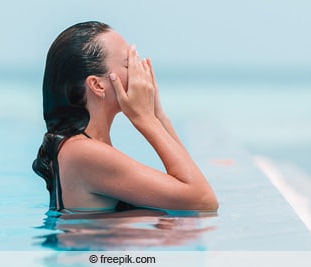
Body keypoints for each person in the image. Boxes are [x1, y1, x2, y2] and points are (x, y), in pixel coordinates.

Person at [32, 21, 218, 213]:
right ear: (97, 85)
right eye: (129, 64)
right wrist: (145, 119)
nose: (141, 72)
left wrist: (157, 114)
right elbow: (204, 202)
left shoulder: (87, 147)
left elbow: (191, 183)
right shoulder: (83, 152)